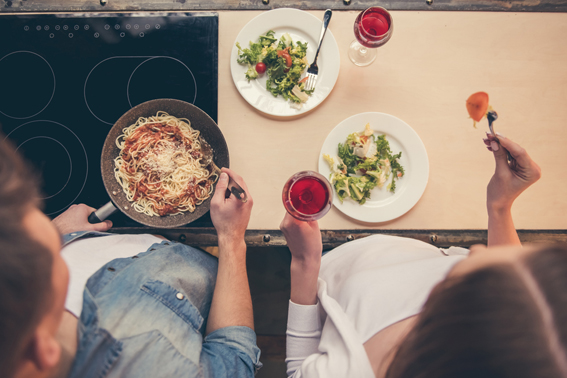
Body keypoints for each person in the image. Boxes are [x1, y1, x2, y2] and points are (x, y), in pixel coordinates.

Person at [280, 133, 565, 378]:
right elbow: (513, 283)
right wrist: (500, 206)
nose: (477, 249)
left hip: (323, 276)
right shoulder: (509, 327)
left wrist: (305, 263)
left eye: (474, 267)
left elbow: (298, 372)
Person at [0, 137, 261, 378]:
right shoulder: (157, 367)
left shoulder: (18, 284)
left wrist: (60, 234)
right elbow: (234, 354)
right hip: (218, 271)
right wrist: (231, 240)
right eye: (38, 246)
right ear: (43, 351)